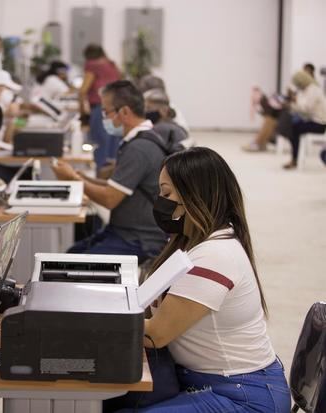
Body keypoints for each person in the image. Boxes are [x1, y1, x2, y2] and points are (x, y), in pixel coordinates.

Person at [105, 147, 290, 412]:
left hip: (243, 397)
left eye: (166, 194)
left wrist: (92, 318)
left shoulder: (214, 255)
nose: (160, 201)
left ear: (194, 195)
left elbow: (157, 334)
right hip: (211, 383)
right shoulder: (195, 242)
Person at [53, 80, 167, 261]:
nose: (103, 117)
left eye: (106, 112)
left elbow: (109, 198)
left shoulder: (139, 148)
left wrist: (74, 179)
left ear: (125, 112)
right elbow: (118, 185)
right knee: (72, 254)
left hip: (139, 239)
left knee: (69, 263)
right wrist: (83, 178)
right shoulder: (141, 139)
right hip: (124, 230)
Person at [243, 63, 317, 152]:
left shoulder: (313, 88)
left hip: (302, 115)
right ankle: (260, 142)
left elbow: (306, 107)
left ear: (311, 73)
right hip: (296, 111)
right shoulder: (304, 87)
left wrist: (292, 101)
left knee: (271, 115)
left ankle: (258, 142)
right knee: (270, 116)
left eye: (306, 73)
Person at [79, 44, 122, 171]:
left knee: (99, 144)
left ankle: (99, 176)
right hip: (116, 108)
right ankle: (111, 178)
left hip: (100, 107)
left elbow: (83, 91)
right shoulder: (111, 64)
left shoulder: (92, 65)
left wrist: (83, 114)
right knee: (112, 146)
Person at [281, 69, 326, 169]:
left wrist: (294, 100)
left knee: (293, 128)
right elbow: (301, 109)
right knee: (290, 125)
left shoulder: (314, 89)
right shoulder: (305, 90)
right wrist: (291, 104)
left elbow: (306, 108)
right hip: (311, 120)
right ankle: (295, 158)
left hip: (320, 124)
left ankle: (295, 159)